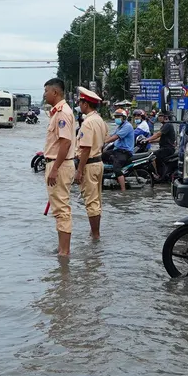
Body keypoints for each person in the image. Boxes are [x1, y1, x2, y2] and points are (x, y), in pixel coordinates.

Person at [43, 78, 76, 256]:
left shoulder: (62, 113)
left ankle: (65, 252)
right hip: (58, 164)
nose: (44, 94)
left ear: (55, 92)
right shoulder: (57, 112)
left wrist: (54, 169)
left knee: (62, 209)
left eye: (46, 91)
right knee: (58, 208)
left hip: (60, 165)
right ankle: (62, 248)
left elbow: (65, 143)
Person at [74, 87, 108, 240]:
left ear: (85, 104)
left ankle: (95, 235)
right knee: (96, 199)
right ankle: (94, 232)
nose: (79, 105)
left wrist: (79, 170)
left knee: (91, 201)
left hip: (89, 164)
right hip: (98, 162)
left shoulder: (88, 122)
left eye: (80, 102)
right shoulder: (100, 120)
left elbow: (85, 148)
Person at [104, 109, 136, 192]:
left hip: (125, 152)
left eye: (118, 117)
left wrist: (104, 141)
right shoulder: (120, 127)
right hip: (117, 150)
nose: (116, 118)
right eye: (115, 117)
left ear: (124, 117)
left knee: (117, 168)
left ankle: (123, 190)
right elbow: (111, 135)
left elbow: (115, 137)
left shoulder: (127, 126)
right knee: (102, 156)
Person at [148, 111, 178, 182]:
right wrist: (150, 141)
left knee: (153, 156)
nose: (159, 118)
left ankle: (157, 174)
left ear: (166, 117)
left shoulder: (168, 125)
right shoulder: (164, 125)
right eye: (159, 116)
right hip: (165, 148)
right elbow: (160, 138)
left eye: (161, 116)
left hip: (168, 148)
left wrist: (147, 139)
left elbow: (158, 134)